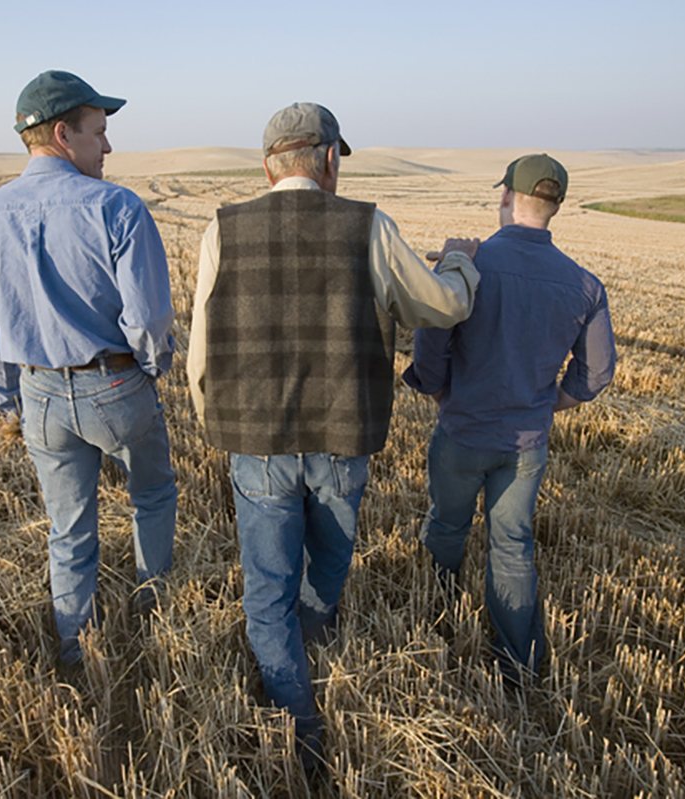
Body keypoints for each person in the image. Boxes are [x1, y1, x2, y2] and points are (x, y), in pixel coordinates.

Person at [187, 102, 480, 769]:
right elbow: (439, 305)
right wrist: (462, 265)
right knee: (328, 564)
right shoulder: (369, 226)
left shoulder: (221, 230)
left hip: (256, 441)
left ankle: (297, 723)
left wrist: (216, 423)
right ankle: (313, 645)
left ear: (268, 168)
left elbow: (201, 353)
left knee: (266, 589)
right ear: (327, 159)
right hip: (343, 437)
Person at [0, 70, 178, 665]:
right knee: (153, 495)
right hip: (114, 382)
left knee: (69, 527)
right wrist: (150, 369)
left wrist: (8, 396)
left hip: (40, 394)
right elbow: (148, 316)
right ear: (63, 133)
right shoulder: (118, 207)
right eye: (99, 133)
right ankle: (154, 613)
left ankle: (73, 647)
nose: (107, 148)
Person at [403, 153, 616, 684]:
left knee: (446, 527)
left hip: (461, 432)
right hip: (526, 443)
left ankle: (434, 623)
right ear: (556, 208)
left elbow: (430, 346)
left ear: (505, 198)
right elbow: (597, 374)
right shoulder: (584, 285)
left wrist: (434, 391)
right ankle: (520, 663)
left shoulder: (469, 266)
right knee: (514, 547)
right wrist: (551, 404)